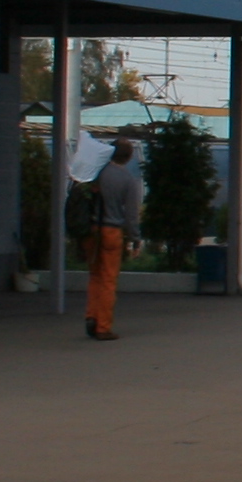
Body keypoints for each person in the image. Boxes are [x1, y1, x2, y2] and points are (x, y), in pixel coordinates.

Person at [84, 135, 144, 341]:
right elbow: (131, 214)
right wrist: (135, 238)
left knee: (95, 275)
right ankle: (103, 326)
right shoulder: (127, 180)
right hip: (112, 231)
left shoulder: (97, 173)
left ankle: (91, 315)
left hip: (92, 229)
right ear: (127, 158)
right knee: (109, 280)